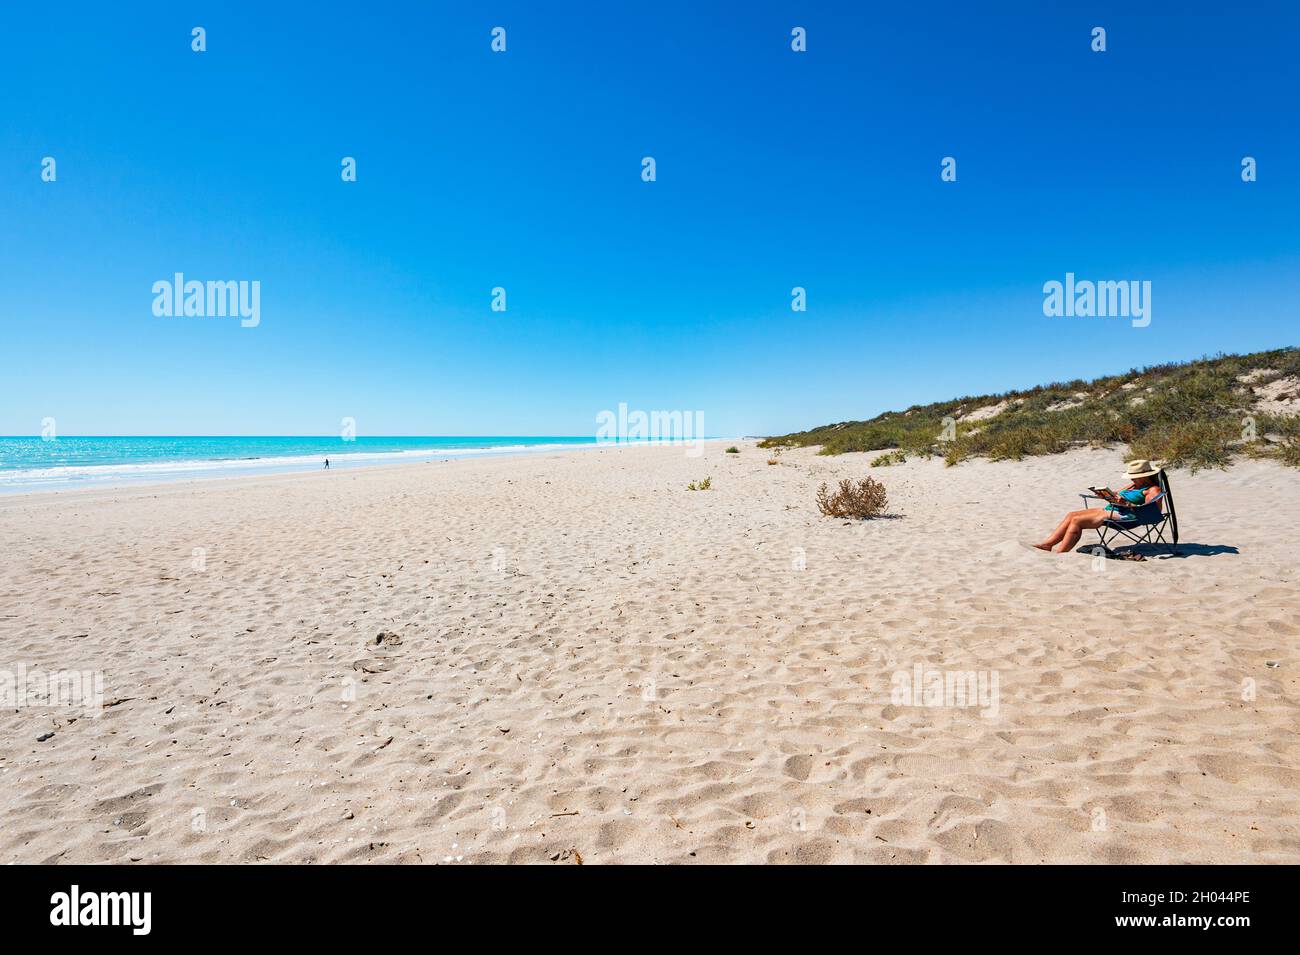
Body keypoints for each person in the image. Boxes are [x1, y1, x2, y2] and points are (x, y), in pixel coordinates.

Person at [1034, 459, 1163, 553]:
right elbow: (1116, 494)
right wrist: (1107, 495)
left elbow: (1153, 512)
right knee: (1071, 515)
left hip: (1129, 517)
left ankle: (1061, 553)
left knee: (1076, 521)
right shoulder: (1133, 486)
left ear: (1145, 476)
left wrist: (1127, 504)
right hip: (1114, 509)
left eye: (1134, 477)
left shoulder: (1153, 490)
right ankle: (1047, 545)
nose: (1131, 479)